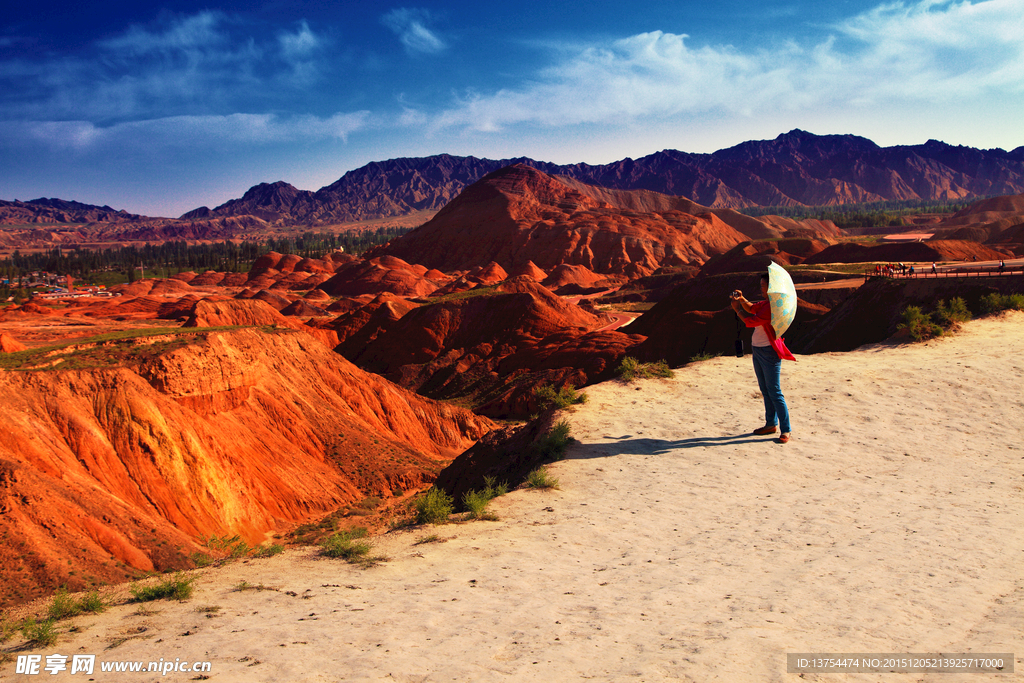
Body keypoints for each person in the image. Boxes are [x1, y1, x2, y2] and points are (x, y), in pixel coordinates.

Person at [730, 273, 793, 443]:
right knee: (765, 390)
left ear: (771, 287)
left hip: (768, 351)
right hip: (758, 349)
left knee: (774, 390)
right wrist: (742, 299)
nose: (761, 288)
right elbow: (752, 308)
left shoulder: (772, 307)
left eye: (763, 285)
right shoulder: (766, 303)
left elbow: (751, 321)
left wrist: (737, 309)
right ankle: (770, 424)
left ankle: (785, 430)